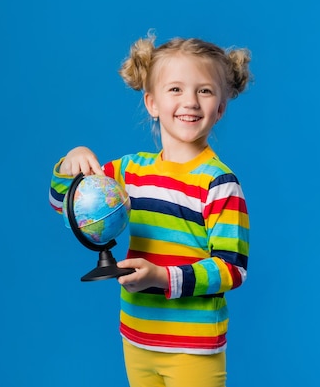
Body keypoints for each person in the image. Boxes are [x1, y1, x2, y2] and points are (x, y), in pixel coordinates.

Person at [49, 31, 252, 387]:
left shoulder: (219, 183)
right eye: (175, 89)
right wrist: (70, 163)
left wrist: (161, 277)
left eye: (204, 90)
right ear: (152, 103)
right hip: (136, 335)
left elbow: (232, 270)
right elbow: (67, 210)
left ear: (220, 108)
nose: (190, 101)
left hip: (193, 346)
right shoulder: (130, 172)